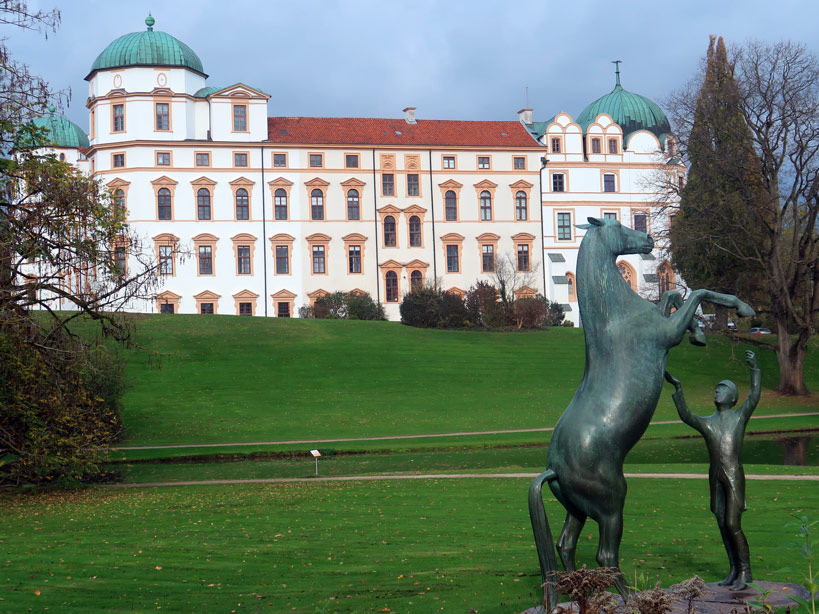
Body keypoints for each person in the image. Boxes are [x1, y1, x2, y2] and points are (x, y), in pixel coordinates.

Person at [664, 350, 761, 591]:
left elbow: (755, 397)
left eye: (722, 389)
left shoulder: (739, 418)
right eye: (716, 389)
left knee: (732, 523)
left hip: (733, 478)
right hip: (715, 479)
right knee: (721, 522)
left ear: (733, 397)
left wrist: (754, 368)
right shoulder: (708, 422)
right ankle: (733, 569)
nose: (717, 391)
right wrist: (678, 389)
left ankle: (746, 572)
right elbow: (686, 415)